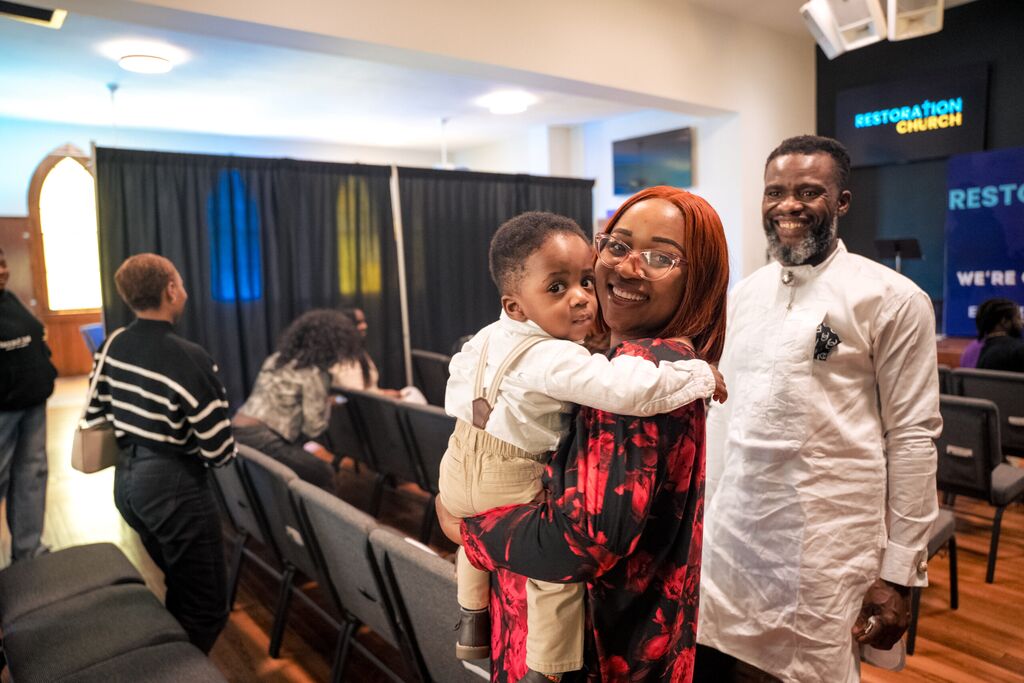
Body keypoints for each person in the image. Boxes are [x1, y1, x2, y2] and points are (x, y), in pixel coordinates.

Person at [438, 189, 730, 683]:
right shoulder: (607, 358)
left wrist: (464, 527)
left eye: (660, 257)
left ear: (697, 278)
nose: (628, 267)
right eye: (617, 246)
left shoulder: (644, 372)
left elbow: (580, 543)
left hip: (598, 648)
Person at [696, 135, 941, 683]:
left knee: (810, 671)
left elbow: (913, 437)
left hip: (826, 544)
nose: (789, 205)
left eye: (809, 191)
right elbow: (722, 417)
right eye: (775, 192)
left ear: (843, 201)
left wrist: (900, 572)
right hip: (734, 535)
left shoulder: (893, 299)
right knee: (723, 664)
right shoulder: (744, 296)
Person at [82, 253, 235, 653]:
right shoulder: (191, 358)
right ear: (170, 290)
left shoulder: (113, 342)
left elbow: (93, 414)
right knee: (206, 608)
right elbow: (219, 450)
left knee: (180, 586)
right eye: (181, 284)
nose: (183, 291)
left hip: (127, 485)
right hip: (174, 488)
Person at [233, 309, 361, 490]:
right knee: (323, 473)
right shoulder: (315, 372)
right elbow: (314, 428)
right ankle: (316, 519)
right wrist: (326, 404)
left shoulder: (276, 359)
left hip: (238, 431)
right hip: (266, 440)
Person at [0, 246, 56, 563]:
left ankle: (28, 552)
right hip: (3, 411)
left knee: (31, 476)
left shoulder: (9, 299)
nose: (2, 271)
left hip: (32, 404)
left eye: (3, 263)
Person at [975, 297, 1024, 372]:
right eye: (1018, 318)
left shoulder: (974, 351)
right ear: (1004, 321)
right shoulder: (1019, 349)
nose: (1022, 323)